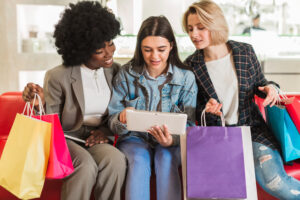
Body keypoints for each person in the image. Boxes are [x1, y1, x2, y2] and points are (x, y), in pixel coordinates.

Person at [182, 0, 300, 199]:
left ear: (216, 25)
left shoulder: (244, 52)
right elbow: (190, 109)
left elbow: (261, 85)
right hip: (217, 139)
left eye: (201, 28)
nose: (194, 34)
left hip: (253, 132)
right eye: (190, 28)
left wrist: (272, 89)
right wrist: (205, 109)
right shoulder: (191, 65)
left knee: (275, 182)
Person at [22, 1, 126, 200]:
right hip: (66, 137)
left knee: (115, 160)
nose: (109, 52)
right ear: (81, 50)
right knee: (84, 165)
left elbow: (117, 113)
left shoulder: (117, 72)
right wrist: (40, 104)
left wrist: (104, 133)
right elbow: (51, 125)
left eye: (110, 43)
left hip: (96, 136)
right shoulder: (57, 76)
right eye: (99, 50)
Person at [108, 16, 197, 200]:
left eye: (161, 49)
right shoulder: (126, 74)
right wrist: (121, 119)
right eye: (147, 50)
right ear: (140, 48)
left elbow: (189, 125)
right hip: (134, 140)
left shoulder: (186, 78)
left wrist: (171, 141)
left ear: (171, 46)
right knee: (139, 160)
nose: (154, 56)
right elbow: (111, 120)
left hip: (170, 143)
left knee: (165, 159)